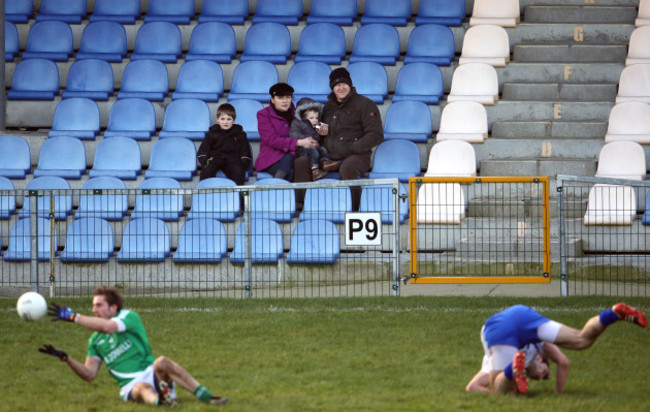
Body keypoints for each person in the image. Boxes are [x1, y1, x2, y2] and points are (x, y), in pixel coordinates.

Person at [38, 286, 228, 407]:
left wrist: (74, 317)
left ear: (113, 308)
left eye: (98, 305)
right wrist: (66, 358)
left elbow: (109, 327)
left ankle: (207, 396)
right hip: (130, 386)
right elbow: (89, 375)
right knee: (141, 388)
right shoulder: (95, 341)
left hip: (152, 372)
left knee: (162, 362)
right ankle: (162, 402)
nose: (94, 310)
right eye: (94, 306)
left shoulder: (128, 317)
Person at [481, 303, 646, 394]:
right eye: (543, 375)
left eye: (540, 374)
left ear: (540, 359)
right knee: (581, 339)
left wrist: (558, 393)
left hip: (499, 326)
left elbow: (563, 362)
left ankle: (513, 368)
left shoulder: (542, 350)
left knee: (497, 390)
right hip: (522, 314)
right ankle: (612, 313)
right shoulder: (541, 347)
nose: (539, 376)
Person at [318, 67, 384, 210]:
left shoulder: (365, 104)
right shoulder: (328, 107)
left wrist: (353, 148)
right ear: (332, 88)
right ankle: (303, 206)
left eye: (344, 84)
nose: (341, 88)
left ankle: (354, 209)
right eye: (337, 85)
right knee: (304, 162)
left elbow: (376, 134)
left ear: (350, 85)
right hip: (331, 157)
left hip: (357, 156)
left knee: (347, 168)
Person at [255, 83, 321, 181]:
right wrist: (299, 142)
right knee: (291, 171)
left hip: (295, 155)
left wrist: (315, 137)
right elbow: (271, 139)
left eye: (288, 97)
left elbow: (309, 126)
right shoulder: (263, 115)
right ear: (273, 100)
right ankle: (276, 190)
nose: (285, 101)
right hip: (272, 158)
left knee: (300, 166)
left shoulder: (296, 113)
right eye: (280, 98)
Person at [466, 342, 569, 394]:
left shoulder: (491, 361)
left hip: (496, 352)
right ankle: (512, 368)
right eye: (544, 371)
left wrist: (493, 395)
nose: (539, 376)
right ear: (539, 357)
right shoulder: (536, 348)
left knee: (501, 387)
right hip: (505, 345)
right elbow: (562, 360)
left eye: (541, 377)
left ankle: (512, 369)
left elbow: (472, 387)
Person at [197, 103, 252, 185]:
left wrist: (242, 165)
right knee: (207, 169)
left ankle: (238, 196)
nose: (225, 122)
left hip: (233, 159)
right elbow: (202, 153)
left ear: (234, 120)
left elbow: (245, 153)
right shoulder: (212, 133)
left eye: (229, 119)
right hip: (215, 158)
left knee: (239, 171)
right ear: (217, 119)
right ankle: (203, 195)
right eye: (222, 119)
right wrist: (205, 163)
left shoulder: (240, 134)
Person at [289, 97, 340, 181]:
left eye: (316, 118)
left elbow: (321, 137)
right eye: (311, 118)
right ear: (303, 117)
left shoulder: (316, 125)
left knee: (323, 149)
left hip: (315, 146)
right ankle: (315, 170)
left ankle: (325, 162)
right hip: (302, 149)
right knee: (314, 152)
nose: (315, 120)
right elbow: (293, 134)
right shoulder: (297, 123)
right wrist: (305, 139)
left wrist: (322, 134)